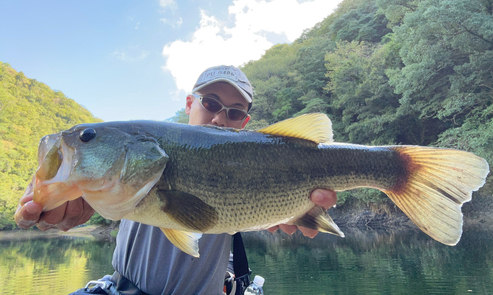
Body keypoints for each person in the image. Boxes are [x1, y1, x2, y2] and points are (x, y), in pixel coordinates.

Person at [16, 65, 337, 295]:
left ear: (246, 122)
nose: (219, 117)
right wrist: (61, 200)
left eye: (235, 112)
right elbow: (95, 190)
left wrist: (291, 210)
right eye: (210, 103)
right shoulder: (125, 171)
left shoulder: (257, 164)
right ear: (189, 103)